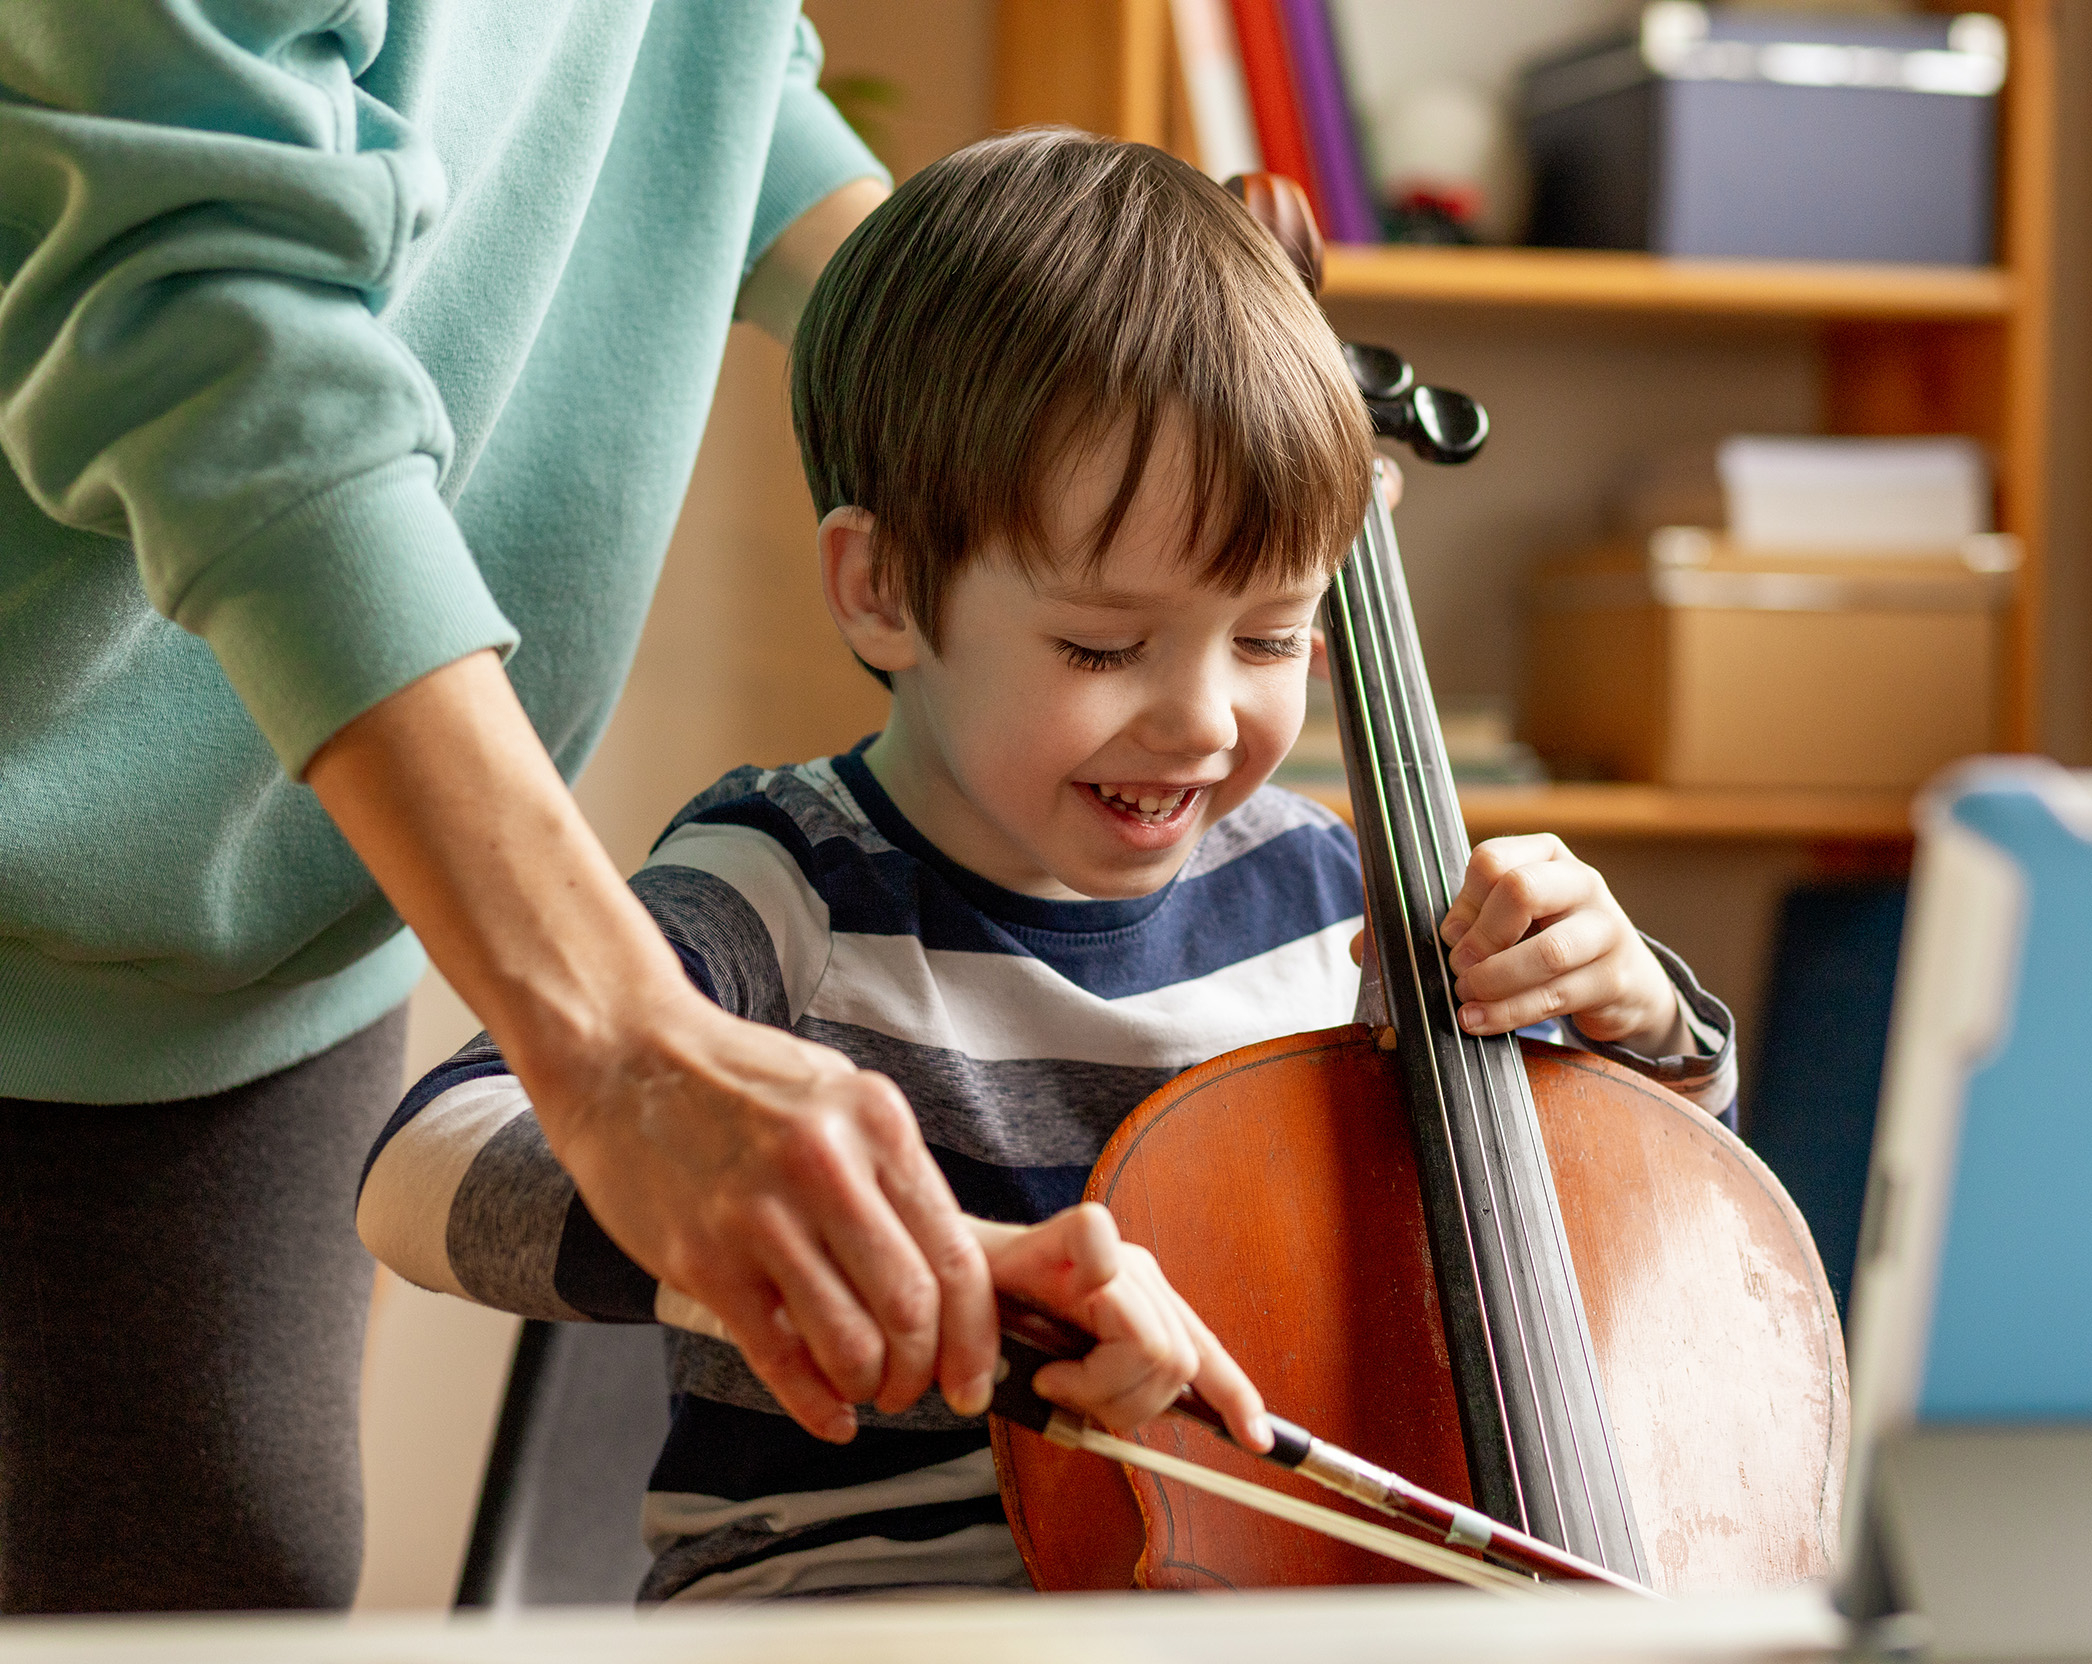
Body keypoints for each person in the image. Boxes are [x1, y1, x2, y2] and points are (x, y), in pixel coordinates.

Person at [355, 128, 1738, 1603]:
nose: (1205, 720)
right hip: (853, 1615)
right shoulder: (786, 889)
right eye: (1100, 644)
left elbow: (1617, 1226)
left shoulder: (1332, 900)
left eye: (1272, 637)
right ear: (883, 589)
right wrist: (912, 1268)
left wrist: (1639, 1023)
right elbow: (420, 1176)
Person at [0, 1, 1020, 1615]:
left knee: (222, 1598)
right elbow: (197, 305)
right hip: (51, 865)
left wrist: (1059, 367)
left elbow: (707, 66)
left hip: (265, 896)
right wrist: (617, 1033)